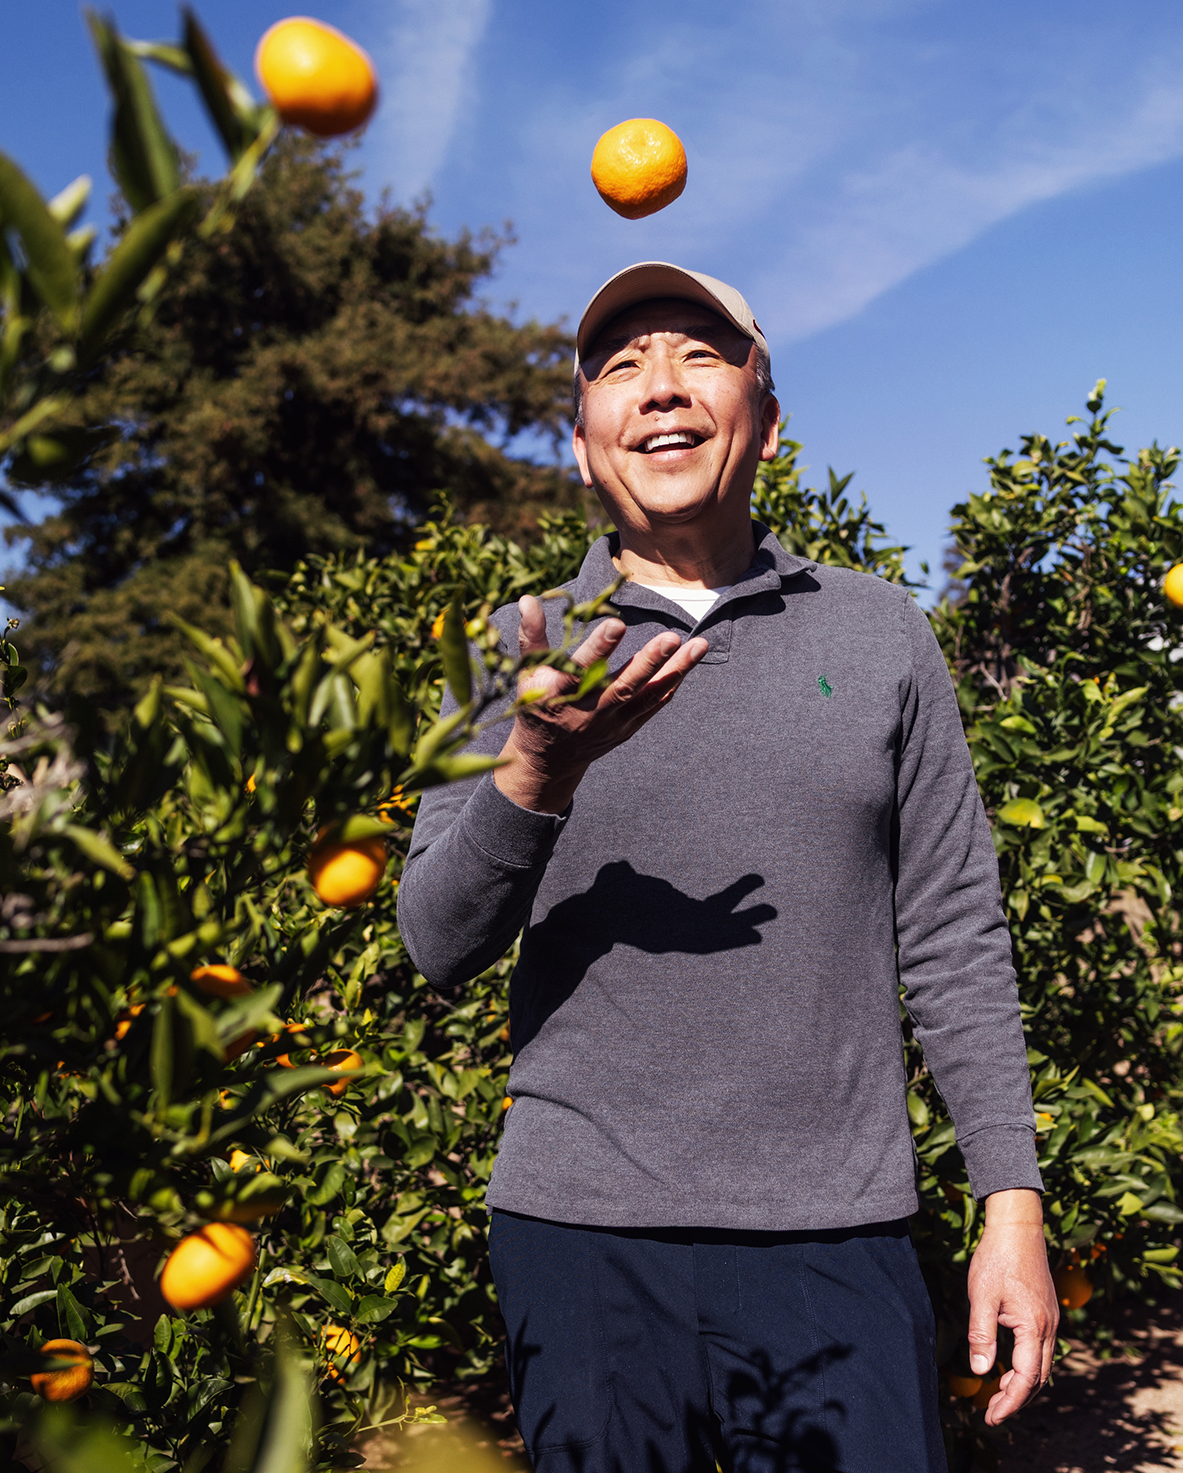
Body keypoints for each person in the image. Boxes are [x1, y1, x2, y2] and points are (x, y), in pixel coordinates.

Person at [396, 262, 1056, 1472]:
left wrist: (1007, 1202)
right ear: (584, 441)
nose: (660, 387)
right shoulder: (514, 651)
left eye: (700, 354)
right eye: (619, 365)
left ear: (762, 413)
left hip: (833, 1233)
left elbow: (956, 933)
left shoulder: (876, 633)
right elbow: (433, 941)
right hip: (578, 1230)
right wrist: (534, 771)